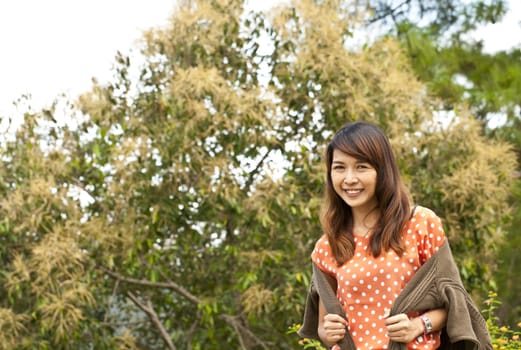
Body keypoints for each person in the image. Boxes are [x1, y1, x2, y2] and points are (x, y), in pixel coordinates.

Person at [298, 122, 492, 350]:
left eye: (361, 167)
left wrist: (420, 325)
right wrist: (328, 330)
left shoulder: (420, 224)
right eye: (339, 168)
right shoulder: (327, 245)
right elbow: (324, 328)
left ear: (382, 170)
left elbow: (455, 303)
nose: (349, 178)